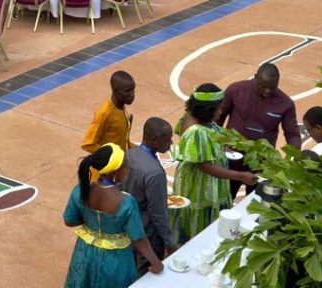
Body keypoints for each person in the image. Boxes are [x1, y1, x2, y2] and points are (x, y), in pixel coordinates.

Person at [63, 144, 164, 287]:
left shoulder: (80, 191)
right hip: (116, 261)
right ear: (114, 172)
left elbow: (69, 220)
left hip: (84, 254)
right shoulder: (126, 202)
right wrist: (156, 263)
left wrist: (90, 220)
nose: (128, 169)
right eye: (125, 166)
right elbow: (138, 238)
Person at [171, 84, 258, 243]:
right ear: (207, 109)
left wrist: (221, 146)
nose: (220, 112)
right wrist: (240, 176)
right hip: (199, 187)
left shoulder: (203, 121)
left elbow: (211, 138)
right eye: (218, 108)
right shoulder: (196, 132)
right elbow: (205, 165)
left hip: (211, 184)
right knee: (197, 225)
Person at [219, 63, 302, 197]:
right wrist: (220, 144)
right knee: (224, 199)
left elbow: (292, 134)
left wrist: (292, 157)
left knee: (257, 201)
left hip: (262, 163)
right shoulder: (235, 90)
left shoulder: (286, 103)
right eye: (263, 86)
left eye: (272, 87)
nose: (267, 91)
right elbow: (218, 117)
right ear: (255, 77)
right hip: (232, 158)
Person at [122, 118, 176, 267]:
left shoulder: (128, 154)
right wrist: (169, 242)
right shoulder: (154, 173)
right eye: (167, 139)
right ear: (154, 140)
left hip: (125, 228)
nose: (171, 143)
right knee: (145, 272)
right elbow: (158, 213)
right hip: (147, 235)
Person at [82, 71, 136, 153]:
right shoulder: (104, 113)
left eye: (133, 90)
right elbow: (88, 144)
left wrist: (139, 151)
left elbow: (122, 141)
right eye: (127, 91)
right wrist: (113, 155)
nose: (132, 94)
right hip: (111, 161)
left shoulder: (122, 108)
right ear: (116, 90)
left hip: (121, 159)